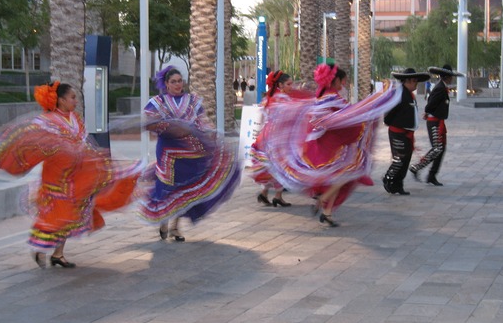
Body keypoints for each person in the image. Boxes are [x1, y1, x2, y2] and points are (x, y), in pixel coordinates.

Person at [0, 82, 141, 268]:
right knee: (55, 214)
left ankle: (58, 254)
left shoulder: (75, 119)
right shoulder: (47, 121)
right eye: (72, 97)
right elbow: (32, 142)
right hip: (56, 177)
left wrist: (98, 159)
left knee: (70, 215)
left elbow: (84, 144)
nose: (75, 100)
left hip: (76, 177)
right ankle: (39, 247)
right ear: (61, 100)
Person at [253, 63, 401, 227]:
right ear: (335, 80)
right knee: (347, 172)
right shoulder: (331, 97)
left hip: (323, 145)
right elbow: (349, 114)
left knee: (342, 175)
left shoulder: (322, 97)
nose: (343, 84)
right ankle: (323, 201)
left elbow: (341, 115)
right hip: (328, 148)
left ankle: (327, 212)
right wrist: (373, 104)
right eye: (342, 81)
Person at [139, 66, 241, 241]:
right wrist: (169, 128)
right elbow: (149, 123)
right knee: (166, 185)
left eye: (180, 81)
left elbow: (202, 121)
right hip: (167, 150)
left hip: (188, 150)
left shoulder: (192, 101)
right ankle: (164, 219)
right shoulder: (158, 102)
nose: (178, 84)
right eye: (174, 82)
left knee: (183, 186)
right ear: (166, 84)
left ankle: (175, 228)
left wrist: (210, 132)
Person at [410, 64, 464, 186]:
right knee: (437, 149)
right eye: (450, 77)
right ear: (447, 77)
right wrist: (428, 112)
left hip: (438, 121)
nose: (452, 79)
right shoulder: (440, 88)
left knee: (441, 149)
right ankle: (416, 167)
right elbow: (430, 104)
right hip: (434, 122)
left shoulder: (442, 87)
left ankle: (431, 176)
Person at [249, 70, 295, 207]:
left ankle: (265, 193)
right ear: (280, 85)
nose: (291, 86)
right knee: (281, 167)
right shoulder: (284, 99)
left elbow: (261, 117)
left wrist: (257, 134)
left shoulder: (268, 98)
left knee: (271, 167)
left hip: (266, 137)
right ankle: (277, 196)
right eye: (288, 84)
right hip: (279, 139)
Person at [383, 68, 430, 195]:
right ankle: (388, 179)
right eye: (414, 81)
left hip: (407, 133)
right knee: (399, 159)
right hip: (398, 132)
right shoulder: (399, 94)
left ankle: (398, 185)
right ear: (407, 81)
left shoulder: (409, 94)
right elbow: (389, 112)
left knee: (405, 160)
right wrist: (390, 122)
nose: (416, 84)